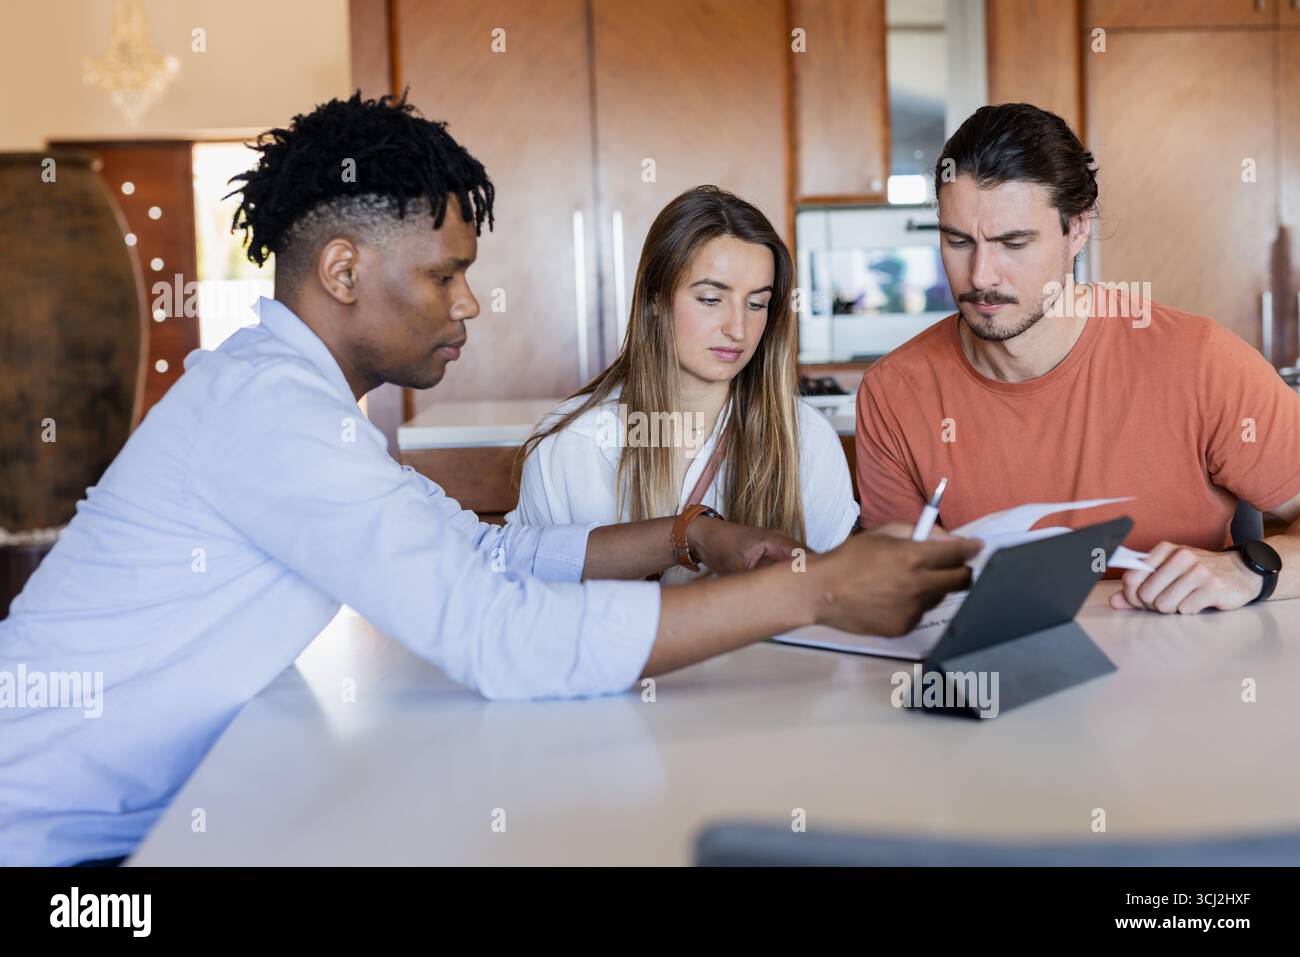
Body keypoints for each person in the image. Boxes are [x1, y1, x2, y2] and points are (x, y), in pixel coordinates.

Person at [0, 92, 977, 866]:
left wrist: (689, 536)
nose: (468, 301)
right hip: (58, 848)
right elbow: (499, 638)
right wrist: (817, 585)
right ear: (342, 271)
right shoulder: (272, 417)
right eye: (442, 275)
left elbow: (490, 552)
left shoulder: (283, 401)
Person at [853, 102, 1300, 616]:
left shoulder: (1200, 362)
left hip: (1179, 679)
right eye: (958, 241)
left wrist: (1251, 571)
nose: (980, 275)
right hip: (1003, 681)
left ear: (1077, 230)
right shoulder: (893, 392)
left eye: (1013, 242)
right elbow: (904, 597)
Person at [509, 186, 857, 583]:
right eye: (711, 299)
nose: (737, 329)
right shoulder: (570, 444)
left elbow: (828, 595)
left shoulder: (806, 439)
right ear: (655, 299)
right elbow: (532, 599)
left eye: (756, 304)